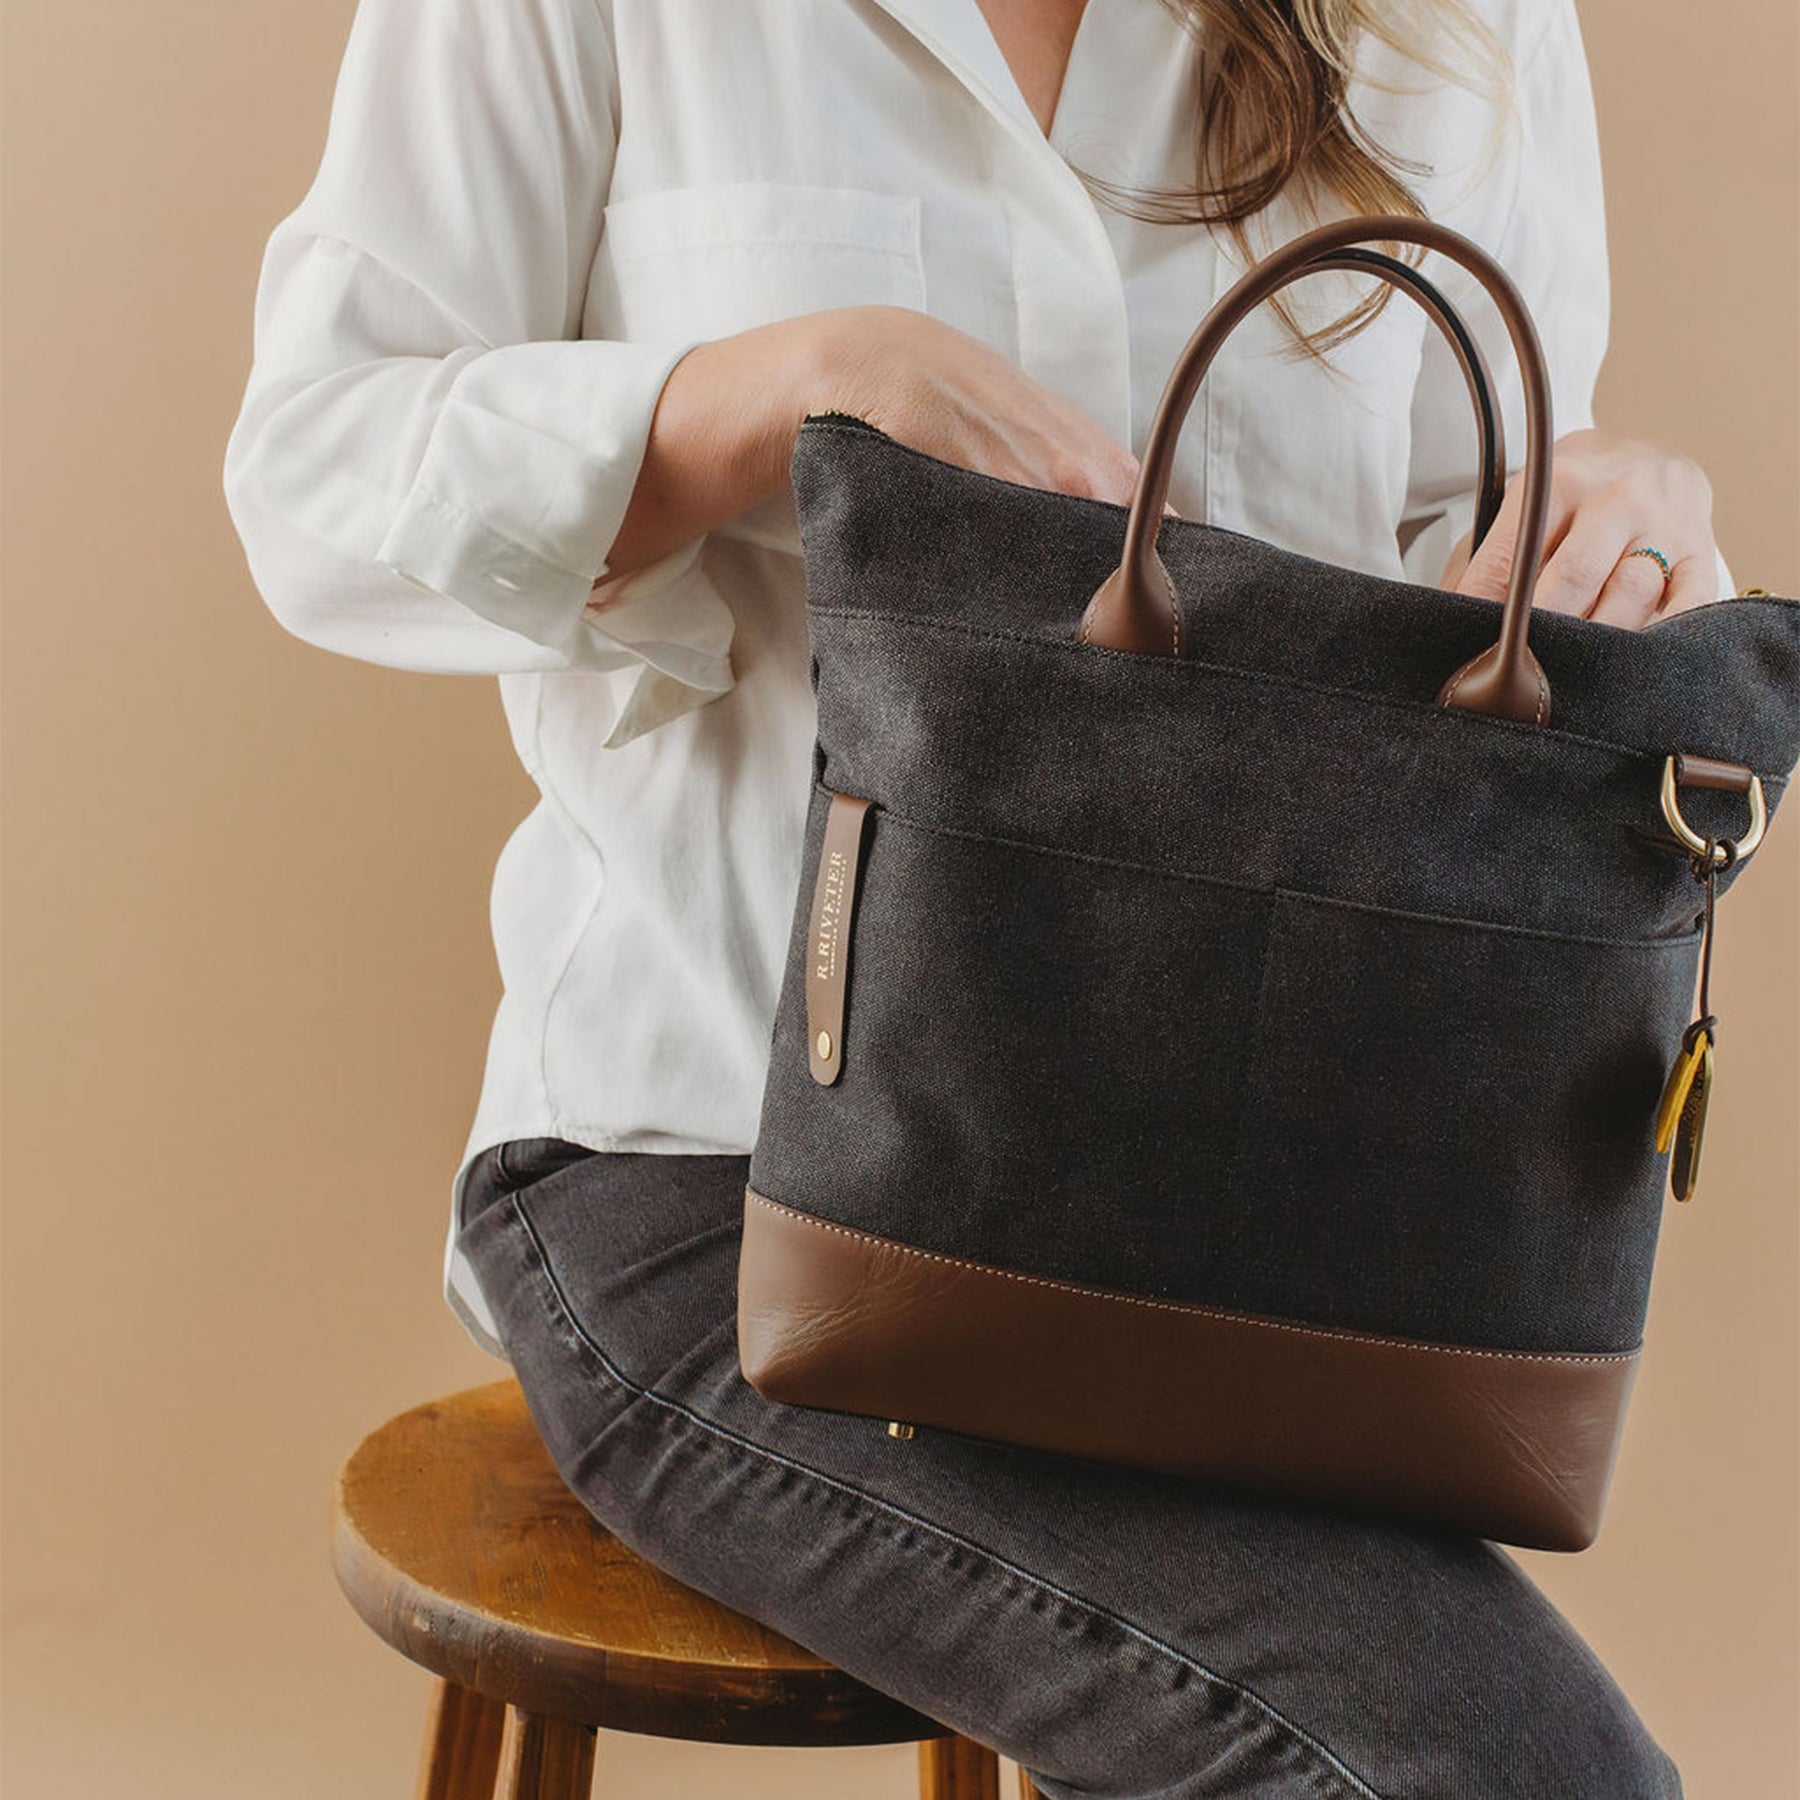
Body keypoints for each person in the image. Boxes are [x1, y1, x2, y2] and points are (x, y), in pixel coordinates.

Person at [222, 2, 1723, 1790]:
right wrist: (764, 395)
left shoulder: (1460, 21)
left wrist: (1626, 516)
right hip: (726, 1181)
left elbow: (1468, 582)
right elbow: (314, 467)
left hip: (1263, 1224)